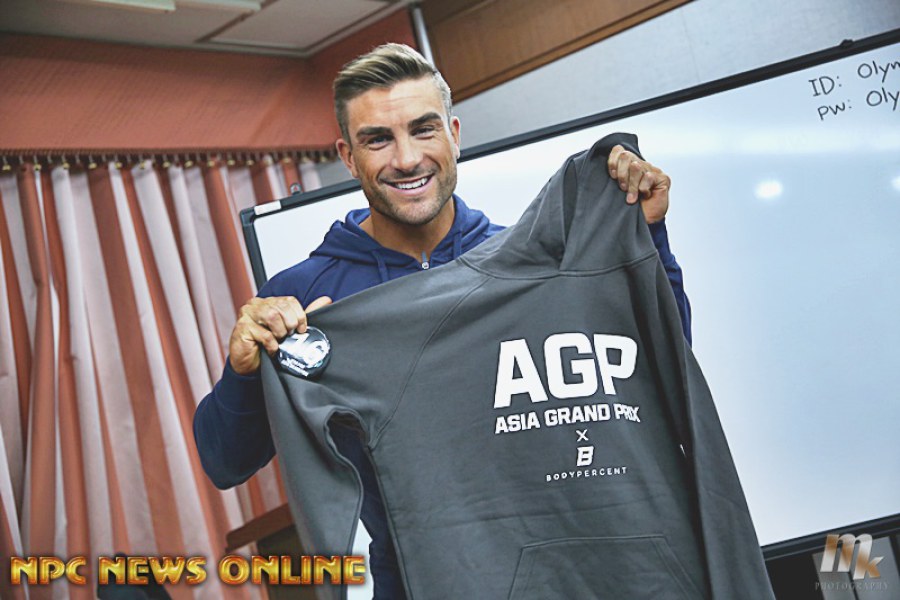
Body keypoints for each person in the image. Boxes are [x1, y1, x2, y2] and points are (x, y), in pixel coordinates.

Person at [193, 43, 691, 598]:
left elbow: (660, 368)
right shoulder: (306, 295)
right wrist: (243, 372)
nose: (407, 159)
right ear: (348, 157)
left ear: (454, 134)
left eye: (423, 129)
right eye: (378, 139)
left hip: (565, 578)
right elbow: (226, 462)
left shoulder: (529, 264)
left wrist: (648, 240)